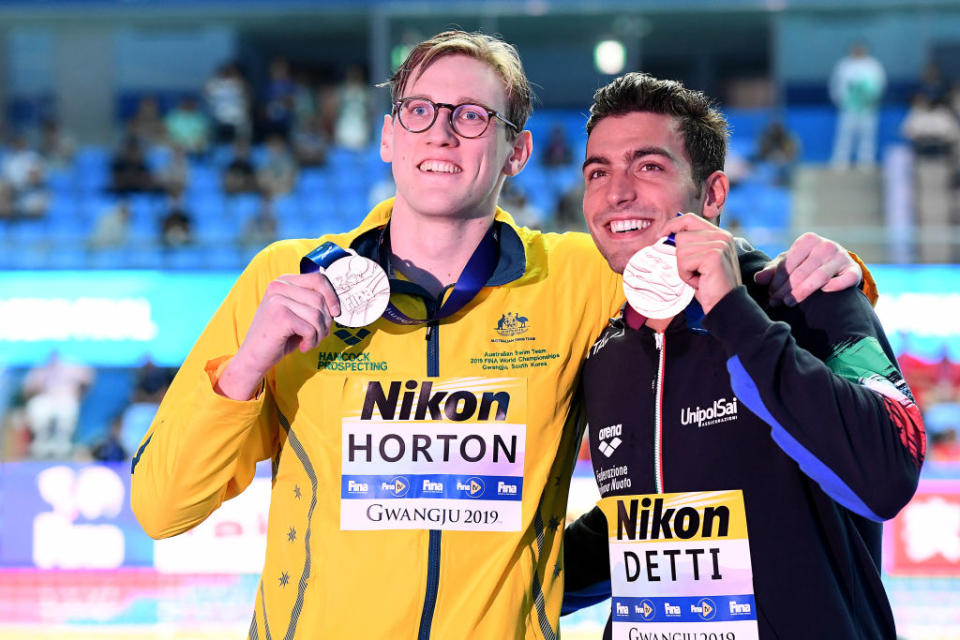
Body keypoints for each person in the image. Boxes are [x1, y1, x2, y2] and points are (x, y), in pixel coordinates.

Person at [130, 31, 865, 639]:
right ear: (388, 137)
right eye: (418, 110)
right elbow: (163, 509)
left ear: (515, 153)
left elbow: (703, 260)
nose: (442, 132)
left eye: (473, 116)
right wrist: (248, 364)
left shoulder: (577, 277)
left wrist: (839, 271)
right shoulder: (284, 280)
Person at [561, 72, 925, 640]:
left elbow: (886, 474)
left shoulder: (811, 297)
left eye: (648, 166)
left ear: (712, 194)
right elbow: (638, 523)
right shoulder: (609, 351)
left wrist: (732, 311)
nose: (617, 192)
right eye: (597, 172)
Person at [829, 42, 886, 169]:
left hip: (868, 107)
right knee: (845, 134)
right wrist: (840, 100)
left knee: (867, 135)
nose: (858, 51)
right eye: (856, 49)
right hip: (848, 107)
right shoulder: (844, 65)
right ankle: (840, 161)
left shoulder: (873, 65)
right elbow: (836, 85)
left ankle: (866, 161)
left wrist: (873, 99)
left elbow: (880, 84)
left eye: (861, 49)